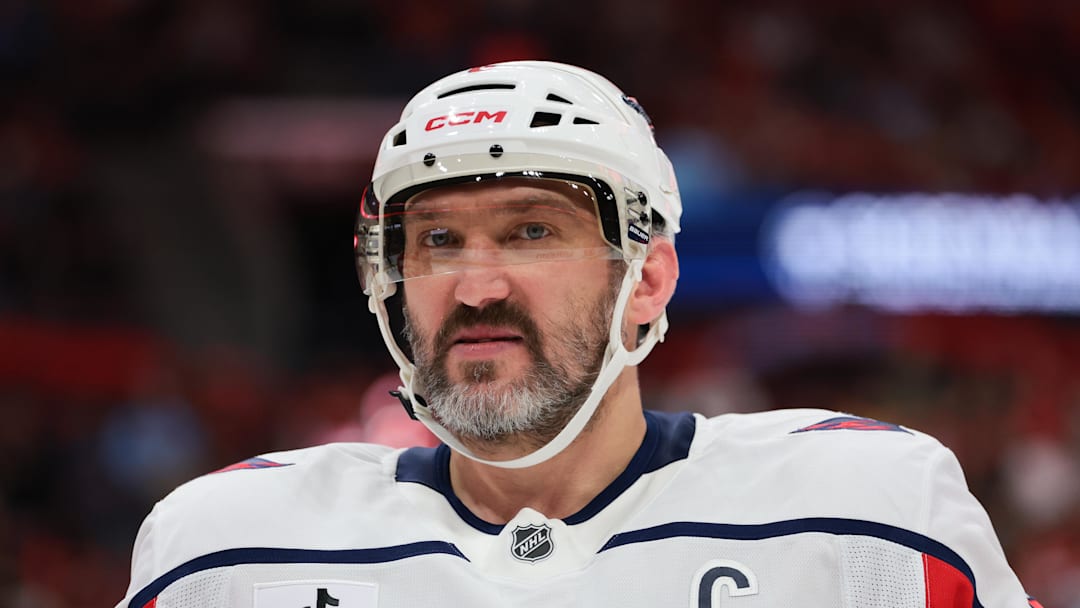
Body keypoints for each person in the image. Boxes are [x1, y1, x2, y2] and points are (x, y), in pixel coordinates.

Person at [116, 61, 1038, 608]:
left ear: (649, 279)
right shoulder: (226, 551)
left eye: (531, 231)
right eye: (437, 242)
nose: (476, 287)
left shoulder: (871, 513)